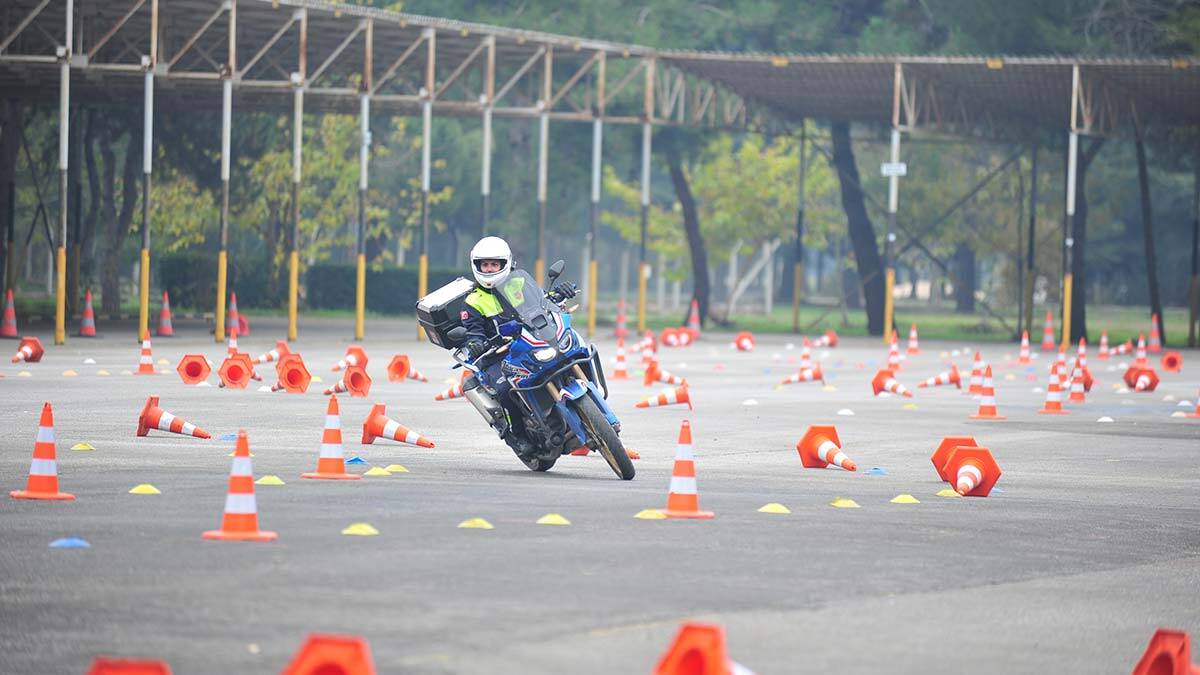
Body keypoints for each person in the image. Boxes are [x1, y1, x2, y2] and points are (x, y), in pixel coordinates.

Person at [460, 236, 575, 458]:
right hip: (496, 355)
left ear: (506, 263)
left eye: (495, 264)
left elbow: (542, 299)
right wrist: (474, 344)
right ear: (477, 266)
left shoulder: (519, 283)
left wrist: (560, 293)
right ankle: (518, 434)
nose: (490, 268)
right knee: (505, 389)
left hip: (529, 340)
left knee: (566, 352)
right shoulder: (472, 301)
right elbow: (473, 331)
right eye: (485, 264)